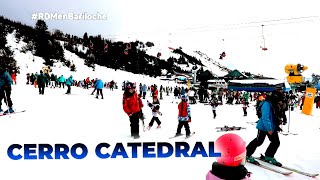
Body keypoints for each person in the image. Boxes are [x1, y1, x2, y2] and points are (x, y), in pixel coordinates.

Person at [246, 93, 281, 166]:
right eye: (279, 101)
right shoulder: (266, 104)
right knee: (259, 141)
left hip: (271, 126)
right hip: (264, 126)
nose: (279, 102)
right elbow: (265, 117)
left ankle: (269, 156)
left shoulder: (274, 104)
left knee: (276, 142)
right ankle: (246, 154)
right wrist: (269, 129)